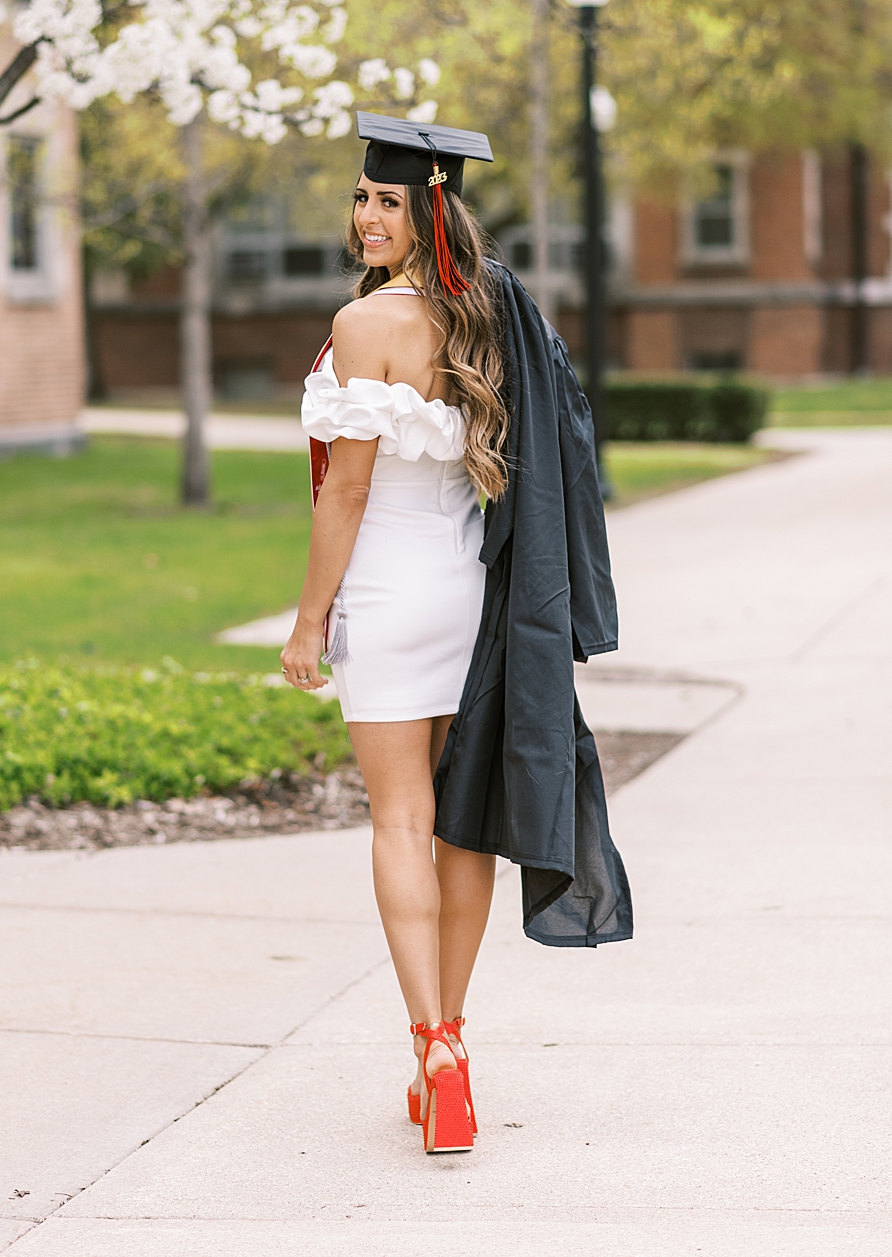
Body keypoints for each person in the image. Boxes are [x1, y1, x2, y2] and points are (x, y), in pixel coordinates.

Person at [279, 113, 627, 1157]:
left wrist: (307, 622)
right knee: (458, 824)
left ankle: (431, 1044)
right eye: (360, 196)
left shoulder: (363, 326)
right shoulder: (483, 312)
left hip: (386, 593)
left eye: (386, 199)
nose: (365, 214)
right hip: (465, 590)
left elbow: (341, 495)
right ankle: (450, 1056)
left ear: (425, 210)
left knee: (399, 819)